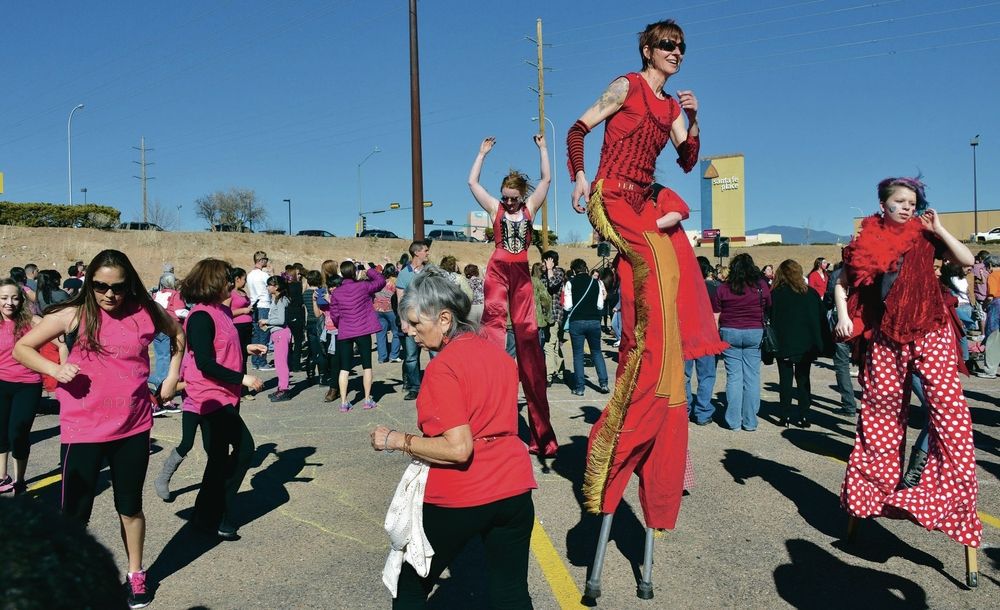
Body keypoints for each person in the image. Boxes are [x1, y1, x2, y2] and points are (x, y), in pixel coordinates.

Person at [565, 19, 723, 534]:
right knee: (655, 267)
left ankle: (663, 373)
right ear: (648, 50)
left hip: (646, 196)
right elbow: (577, 129)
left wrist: (694, 119)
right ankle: (646, 363)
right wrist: (580, 178)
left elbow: (687, 159)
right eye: (667, 46)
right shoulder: (626, 86)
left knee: (675, 270)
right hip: (611, 196)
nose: (676, 53)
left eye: (681, 47)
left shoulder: (673, 104)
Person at [13, 249, 185, 608]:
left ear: (130, 285)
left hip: (133, 427)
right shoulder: (73, 314)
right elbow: (22, 348)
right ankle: (71, 577)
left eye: (118, 288)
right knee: (75, 514)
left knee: (130, 507)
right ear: (90, 282)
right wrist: (55, 370)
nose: (109, 294)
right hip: (84, 430)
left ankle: (136, 574)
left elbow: (178, 335)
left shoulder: (146, 312)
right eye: (100, 286)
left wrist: (171, 378)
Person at [369, 267, 536, 608]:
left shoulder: (443, 367)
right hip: (514, 488)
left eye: (416, 323)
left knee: (412, 587)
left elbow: (459, 448)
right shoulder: (499, 357)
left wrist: (396, 440)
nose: (407, 330)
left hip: (463, 492)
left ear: (444, 319)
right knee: (511, 591)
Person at [834, 176, 981, 550]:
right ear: (883, 204)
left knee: (949, 415)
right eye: (899, 201)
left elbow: (966, 260)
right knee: (878, 418)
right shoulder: (866, 240)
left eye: (912, 203)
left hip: (930, 330)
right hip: (887, 336)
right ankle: (870, 498)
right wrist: (843, 316)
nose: (906, 207)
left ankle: (947, 502)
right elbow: (841, 280)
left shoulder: (925, 236)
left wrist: (940, 229)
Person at [155, 259, 265, 540]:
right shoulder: (201, 316)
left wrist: (246, 348)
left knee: (219, 460)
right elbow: (204, 362)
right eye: (228, 278)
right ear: (214, 282)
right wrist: (243, 378)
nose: (232, 283)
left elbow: (223, 345)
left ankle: (205, 515)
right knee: (243, 452)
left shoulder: (222, 311)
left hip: (226, 396)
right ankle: (220, 514)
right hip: (210, 399)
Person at [468, 133, 558, 457]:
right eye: (505, 198)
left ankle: (542, 437)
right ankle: (487, 424)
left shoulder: (530, 208)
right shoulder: (495, 209)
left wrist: (543, 149)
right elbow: (472, 183)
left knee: (529, 344)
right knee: (493, 330)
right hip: (497, 271)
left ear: (522, 196)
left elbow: (547, 178)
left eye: (512, 198)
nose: (508, 202)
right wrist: (481, 154)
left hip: (520, 276)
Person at [712, 253, 769, 431]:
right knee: (752, 377)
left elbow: (716, 314)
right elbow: (768, 305)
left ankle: (733, 421)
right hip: (754, 331)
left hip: (730, 332)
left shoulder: (724, 288)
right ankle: (750, 421)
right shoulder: (761, 286)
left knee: (734, 377)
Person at [770, 259, 830, 428]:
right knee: (804, 379)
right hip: (805, 344)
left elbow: (771, 319)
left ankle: (785, 415)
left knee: (785, 380)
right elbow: (820, 319)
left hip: (784, 343)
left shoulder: (776, 294)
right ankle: (804, 415)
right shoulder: (810, 294)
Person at [0, 279, 44, 495]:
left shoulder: (32, 321)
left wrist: (61, 358)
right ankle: (2, 477)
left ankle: (19, 480)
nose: (10, 303)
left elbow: (60, 341)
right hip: (1, 383)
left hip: (27, 384)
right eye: (4, 298)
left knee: (18, 434)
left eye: (15, 298)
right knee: (0, 433)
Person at [330, 261, 386, 412]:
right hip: (363, 329)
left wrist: (340, 325)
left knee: (345, 368)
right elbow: (381, 281)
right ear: (355, 272)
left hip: (346, 331)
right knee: (367, 365)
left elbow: (334, 314)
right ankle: (367, 399)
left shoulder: (336, 292)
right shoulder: (363, 286)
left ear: (341, 273)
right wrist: (369, 269)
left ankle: (343, 402)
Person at [562, 259, 609, 396]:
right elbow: (600, 305)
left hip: (577, 322)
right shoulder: (596, 283)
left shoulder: (570, 283)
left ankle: (580, 387)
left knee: (578, 355)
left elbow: (567, 306)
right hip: (594, 321)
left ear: (574, 270)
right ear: (586, 268)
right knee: (597, 352)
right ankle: (604, 383)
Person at [685, 256, 719, 425]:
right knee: (706, 376)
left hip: (686, 335)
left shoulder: (681, 287)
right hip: (707, 335)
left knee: (684, 376)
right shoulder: (714, 288)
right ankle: (703, 412)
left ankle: (684, 409)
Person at [396, 241, 431, 401]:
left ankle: (437, 385)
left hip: (430, 320)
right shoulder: (404, 274)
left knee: (435, 354)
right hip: (411, 320)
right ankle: (414, 387)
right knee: (411, 356)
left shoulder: (430, 271)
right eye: (425, 251)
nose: (427, 253)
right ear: (417, 253)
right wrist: (404, 321)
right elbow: (400, 300)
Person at [824, 261, 858, 415]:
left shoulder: (838, 275)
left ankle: (849, 404)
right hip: (861, 318)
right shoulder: (873, 270)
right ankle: (874, 406)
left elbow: (830, 296)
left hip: (841, 318)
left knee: (842, 365)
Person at [259, 275, 293, 401]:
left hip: (281, 334)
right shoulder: (278, 299)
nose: (267, 287)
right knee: (279, 363)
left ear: (276, 286)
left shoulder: (281, 300)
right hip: (278, 334)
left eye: (269, 285)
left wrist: (266, 321)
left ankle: (284, 389)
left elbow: (280, 319)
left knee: (281, 364)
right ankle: (281, 387)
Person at [539, 250, 567, 384]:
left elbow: (552, 284)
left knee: (549, 346)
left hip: (555, 314)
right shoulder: (543, 275)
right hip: (546, 315)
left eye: (544, 261)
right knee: (554, 345)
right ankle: (559, 371)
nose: (542, 264)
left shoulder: (558, 272)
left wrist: (550, 269)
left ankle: (548, 375)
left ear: (550, 261)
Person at [247, 251, 272, 371]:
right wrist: (271, 273)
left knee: (256, 335)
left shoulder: (249, 275)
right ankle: (262, 362)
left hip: (254, 305)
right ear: (262, 260)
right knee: (264, 334)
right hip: (264, 305)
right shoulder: (263, 275)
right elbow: (272, 286)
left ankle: (255, 361)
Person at [374, 264, 402, 364]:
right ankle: (394, 355)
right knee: (396, 333)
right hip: (391, 309)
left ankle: (382, 357)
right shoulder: (395, 281)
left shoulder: (379, 281)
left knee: (380, 333)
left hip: (377, 309)